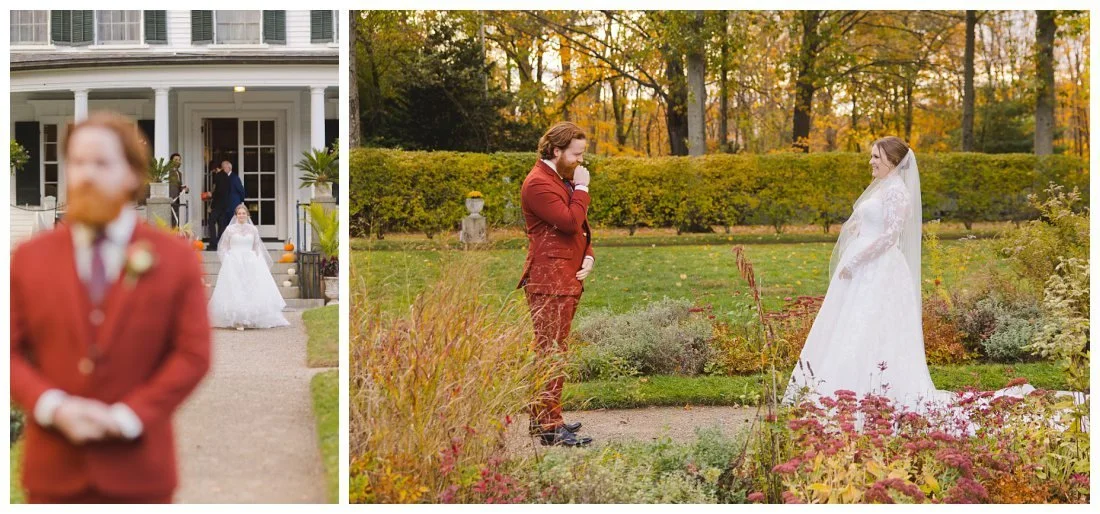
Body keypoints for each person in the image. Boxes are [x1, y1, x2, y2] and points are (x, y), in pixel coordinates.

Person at [10, 111, 211, 503]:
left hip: (140, 472)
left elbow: (193, 355)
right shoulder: (30, 258)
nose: (86, 174)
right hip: (53, 474)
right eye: (77, 162)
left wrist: (127, 417)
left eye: (101, 163)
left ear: (133, 176)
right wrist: (53, 407)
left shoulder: (175, 259)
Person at [783, 137, 1034, 413]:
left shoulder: (897, 192)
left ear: (892, 160)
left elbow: (890, 237)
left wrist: (855, 259)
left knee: (871, 326)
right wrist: (856, 232)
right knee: (852, 324)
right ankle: (843, 388)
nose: (871, 162)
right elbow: (868, 222)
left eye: (876, 157)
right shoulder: (881, 189)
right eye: (872, 157)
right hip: (865, 268)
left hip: (879, 270)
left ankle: (872, 391)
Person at [517, 122, 595, 447]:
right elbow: (568, 221)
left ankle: (544, 418)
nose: (580, 161)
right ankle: (549, 425)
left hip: (565, 277)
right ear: (555, 151)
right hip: (549, 280)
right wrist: (583, 189)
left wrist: (588, 254)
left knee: (554, 350)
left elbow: (578, 230)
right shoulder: (537, 183)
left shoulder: (557, 179)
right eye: (575, 154)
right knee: (551, 352)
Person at [207, 203, 290, 330]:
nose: (241, 215)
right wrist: (227, 259)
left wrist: (258, 261)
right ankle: (238, 319)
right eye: (239, 213)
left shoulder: (253, 229)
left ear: (247, 215)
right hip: (234, 261)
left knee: (251, 288)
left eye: (243, 213)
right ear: (236, 215)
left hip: (250, 262)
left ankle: (251, 318)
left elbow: (257, 246)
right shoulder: (230, 230)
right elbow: (223, 247)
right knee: (236, 288)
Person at [209, 160, 245, 250]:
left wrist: (240, 202)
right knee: (223, 224)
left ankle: (233, 244)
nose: (222, 169)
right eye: (222, 167)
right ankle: (222, 244)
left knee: (232, 224)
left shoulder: (234, 177)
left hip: (232, 204)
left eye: (224, 167)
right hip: (224, 205)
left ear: (229, 168)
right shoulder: (221, 177)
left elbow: (241, 190)